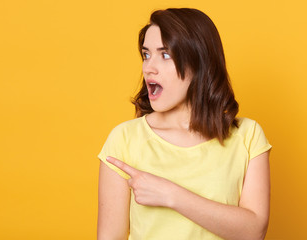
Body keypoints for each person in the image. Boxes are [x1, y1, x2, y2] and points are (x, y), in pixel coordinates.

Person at [97, 8, 271, 240]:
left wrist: (170, 194)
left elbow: (254, 231)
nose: (149, 67)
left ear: (199, 63)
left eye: (165, 55)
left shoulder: (248, 136)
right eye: (146, 54)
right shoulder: (124, 139)